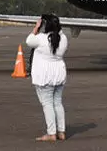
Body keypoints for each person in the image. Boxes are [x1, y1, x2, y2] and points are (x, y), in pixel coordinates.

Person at [26, 14, 68, 142]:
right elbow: (58, 33)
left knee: (47, 104)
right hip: (59, 74)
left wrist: (36, 28)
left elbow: (29, 41)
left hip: (45, 75)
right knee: (57, 103)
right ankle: (61, 131)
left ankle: (51, 133)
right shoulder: (64, 38)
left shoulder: (40, 39)